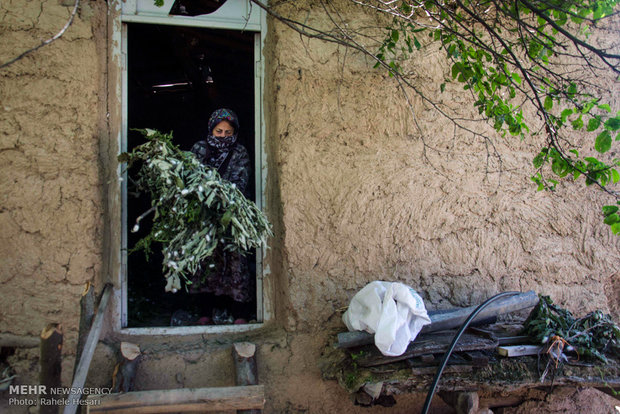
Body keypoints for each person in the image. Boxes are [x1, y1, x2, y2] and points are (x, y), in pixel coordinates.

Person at [190, 108, 253, 304]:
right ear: (211, 130)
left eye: (228, 132)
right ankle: (206, 310)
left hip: (232, 215)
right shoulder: (199, 149)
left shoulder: (240, 152)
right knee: (206, 260)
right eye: (219, 132)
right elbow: (191, 178)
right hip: (204, 217)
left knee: (235, 261)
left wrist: (222, 198)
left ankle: (237, 309)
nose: (224, 136)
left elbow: (240, 181)